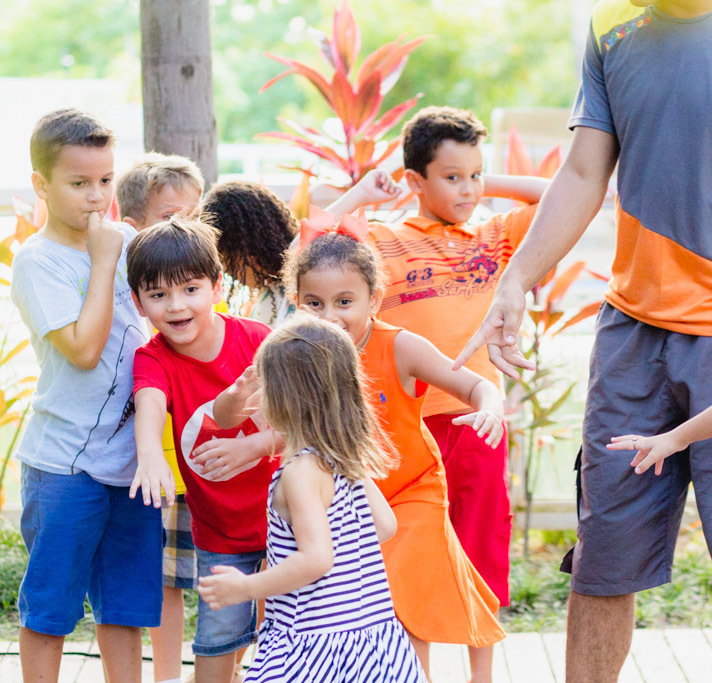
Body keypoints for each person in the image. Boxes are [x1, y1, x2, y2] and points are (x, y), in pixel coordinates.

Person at [453, 2, 712, 681]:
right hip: (634, 333)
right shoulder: (612, 26)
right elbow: (582, 172)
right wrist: (515, 281)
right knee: (603, 559)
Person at [328, 106, 550, 681]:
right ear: (415, 180)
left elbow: (561, 195)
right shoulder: (383, 240)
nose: (468, 189)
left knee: (479, 547)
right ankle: (413, 673)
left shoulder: (496, 235)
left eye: (474, 174)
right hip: (402, 427)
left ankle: (482, 676)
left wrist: (479, 180)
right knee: (408, 560)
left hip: (478, 418)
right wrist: (359, 194)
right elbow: (313, 243)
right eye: (451, 177)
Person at [268, 222, 507, 678]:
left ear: (373, 299)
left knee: (402, 598)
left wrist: (490, 409)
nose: (329, 315)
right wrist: (246, 446)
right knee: (332, 602)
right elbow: (281, 424)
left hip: (413, 490)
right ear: (296, 301)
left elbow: (478, 386)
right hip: (347, 494)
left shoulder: (400, 347)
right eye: (314, 303)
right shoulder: (297, 352)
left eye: (344, 302)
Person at [9, 108, 161, 683]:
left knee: (124, 610)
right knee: (51, 609)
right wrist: (103, 262)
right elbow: (83, 350)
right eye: (79, 184)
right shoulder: (37, 260)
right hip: (64, 464)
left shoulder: (126, 242)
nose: (97, 198)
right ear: (42, 185)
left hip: (131, 464)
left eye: (105, 181)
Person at [198, 315, 426, 682]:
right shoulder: (341, 458)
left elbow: (316, 559)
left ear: (286, 398)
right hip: (375, 644)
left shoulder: (301, 472)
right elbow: (384, 525)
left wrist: (247, 587)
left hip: (314, 648)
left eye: (265, 386)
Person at [127, 218, 280, 683]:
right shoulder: (154, 358)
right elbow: (149, 402)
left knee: (288, 640)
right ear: (138, 302)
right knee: (216, 644)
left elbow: (308, 424)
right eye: (158, 295)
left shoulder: (259, 341)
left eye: (190, 289)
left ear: (216, 287)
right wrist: (150, 453)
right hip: (220, 534)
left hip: (286, 523)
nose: (176, 306)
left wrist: (254, 445)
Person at [116, 152, 206, 683]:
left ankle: (226, 668)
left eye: (195, 215)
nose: (186, 229)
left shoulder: (204, 295)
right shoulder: (133, 302)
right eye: (172, 216)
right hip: (162, 471)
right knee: (166, 582)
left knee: (229, 573)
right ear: (133, 230)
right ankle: (168, 676)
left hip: (213, 463)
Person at [200, 180, 298, 327]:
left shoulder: (298, 283)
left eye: (228, 256)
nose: (225, 268)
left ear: (253, 244)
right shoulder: (267, 294)